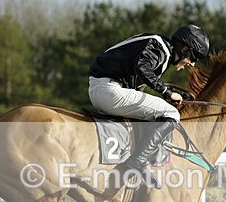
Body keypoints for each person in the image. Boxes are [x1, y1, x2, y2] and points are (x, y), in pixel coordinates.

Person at [88, 24, 210, 188]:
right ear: (185, 48)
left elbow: (139, 76)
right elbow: (142, 68)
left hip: (106, 89)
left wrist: (169, 93)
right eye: (193, 58)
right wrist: (166, 92)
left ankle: (140, 160)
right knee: (172, 114)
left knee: (158, 112)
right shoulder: (158, 46)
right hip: (108, 89)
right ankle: (137, 162)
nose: (193, 64)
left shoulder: (161, 52)